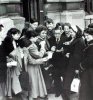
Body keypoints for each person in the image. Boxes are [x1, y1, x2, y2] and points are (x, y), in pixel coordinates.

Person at [62, 25, 86, 100]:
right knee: (67, 82)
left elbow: (78, 56)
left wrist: (76, 68)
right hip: (72, 64)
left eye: (72, 32)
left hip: (73, 65)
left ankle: (66, 98)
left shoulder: (79, 41)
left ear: (77, 32)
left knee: (67, 83)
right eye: (70, 32)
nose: (71, 33)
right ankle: (67, 97)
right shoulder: (77, 39)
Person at [2, 28, 21, 98]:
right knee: (12, 78)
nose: (19, 36)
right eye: (17, 34)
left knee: (14, 78)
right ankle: (14, 93)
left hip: (13, 61)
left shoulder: (14, 41)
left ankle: (14, 93)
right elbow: (7, 53)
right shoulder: (7, 42)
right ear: (12, 35)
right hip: (9, 62)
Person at [79, 23, 93, 100]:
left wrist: (81, 65)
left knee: (87, 90)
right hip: (88, 71)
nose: (86, 37)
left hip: (89, 72)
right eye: (85, 35)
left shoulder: (91, 46)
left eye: (88, 35)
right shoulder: (89, 44)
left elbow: (90, 60)